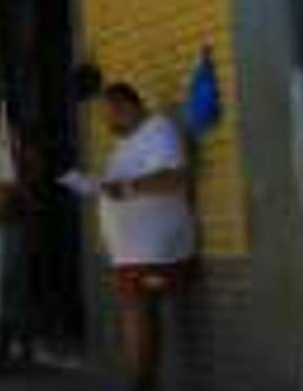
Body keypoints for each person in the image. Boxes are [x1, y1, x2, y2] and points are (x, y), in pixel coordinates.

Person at [60, 83, 195, 391]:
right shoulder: (126, 143)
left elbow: (175, 177)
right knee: (136, 310)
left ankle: (142, 383)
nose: (106, 123)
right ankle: (142, 380)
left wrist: (127, 187)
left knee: (139, 309)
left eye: (108, 115)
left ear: (126, 106)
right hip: (131, 249)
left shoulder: (159, 130)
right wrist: (99, 185)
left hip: (153, 247)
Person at [0, 90, 39, 375]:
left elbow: (32, 177)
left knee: (7, 287)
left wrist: (17, 187)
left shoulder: (17, 142)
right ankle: (18, 346)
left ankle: (4, 350)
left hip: (13, 221)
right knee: (6, 286)